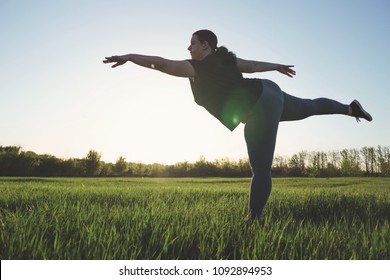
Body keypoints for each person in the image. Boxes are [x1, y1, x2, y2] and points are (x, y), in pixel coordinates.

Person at [103, 29, 372, 222]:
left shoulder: (199, 67)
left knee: (261, 168)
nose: (188, 48)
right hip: (269, 93)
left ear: (206, 45)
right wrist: (276, 66)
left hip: (259, 106)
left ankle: (253, 220)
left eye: (192, 43)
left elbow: (161, 64)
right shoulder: (225, 59)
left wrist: (129, 56)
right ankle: (350, 109)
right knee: (310, 106)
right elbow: (252, 66)